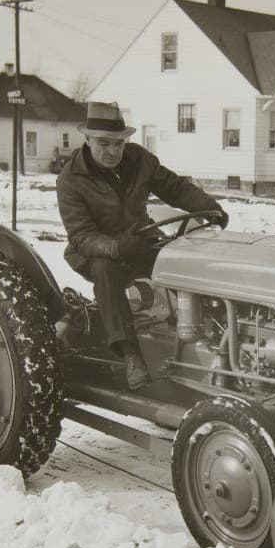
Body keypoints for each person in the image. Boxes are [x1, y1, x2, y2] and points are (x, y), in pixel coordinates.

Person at [56, 101, 228, 390]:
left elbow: (174, 187)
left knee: (184, 262)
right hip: (96, 252)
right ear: (86, 140)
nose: (113, 151)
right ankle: (130, 353)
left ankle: (212, 334)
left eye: (119, 143)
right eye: (104, 143)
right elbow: (81, 235)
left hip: (139, 240)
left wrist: (210, 209)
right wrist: (116, 247)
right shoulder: (70, 180)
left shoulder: (139, 161)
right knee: (105, 271)